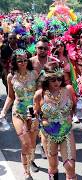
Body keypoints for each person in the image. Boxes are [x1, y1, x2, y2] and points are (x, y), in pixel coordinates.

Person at [33, 62, 77, 180]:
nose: (57, 82)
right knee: (53, 166)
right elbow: (35, 113)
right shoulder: (39, 94)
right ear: (46, 79)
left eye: (59, 78)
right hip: (48, 135)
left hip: (66, 133)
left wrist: (69, 116)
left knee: (70, 166)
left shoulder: (68, 90)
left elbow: (74, 106)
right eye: (53, 80)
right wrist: (36, 126)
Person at [0, 49, 39, 180]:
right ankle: (27, 172)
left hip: (33, 112)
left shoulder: (34, 74)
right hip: (18, 112)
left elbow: (40, 95)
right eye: (19, 60)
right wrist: (4, 111)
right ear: (15, 62)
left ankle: (30, 161)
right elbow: (10, 96)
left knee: (32, 144)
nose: (22, 62)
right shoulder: (11, 76)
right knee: (26, 143)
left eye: (24, 60)